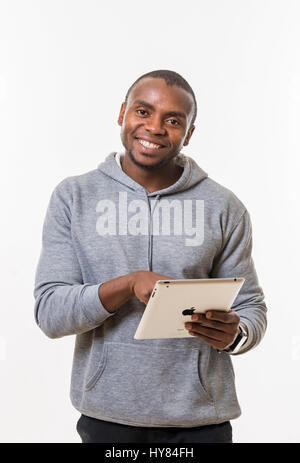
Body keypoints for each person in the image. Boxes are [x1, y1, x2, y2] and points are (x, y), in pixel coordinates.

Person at [33, 70, 267, 444]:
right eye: (143, 112)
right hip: (107, 417)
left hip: (202, 420)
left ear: (188, 134)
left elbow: (251, 306)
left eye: (173, 120)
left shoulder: (224, 206)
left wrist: (236, 333)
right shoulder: (74, 197)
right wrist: (127, 284)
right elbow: (49, 312)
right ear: (123, 112)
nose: (155, 127)